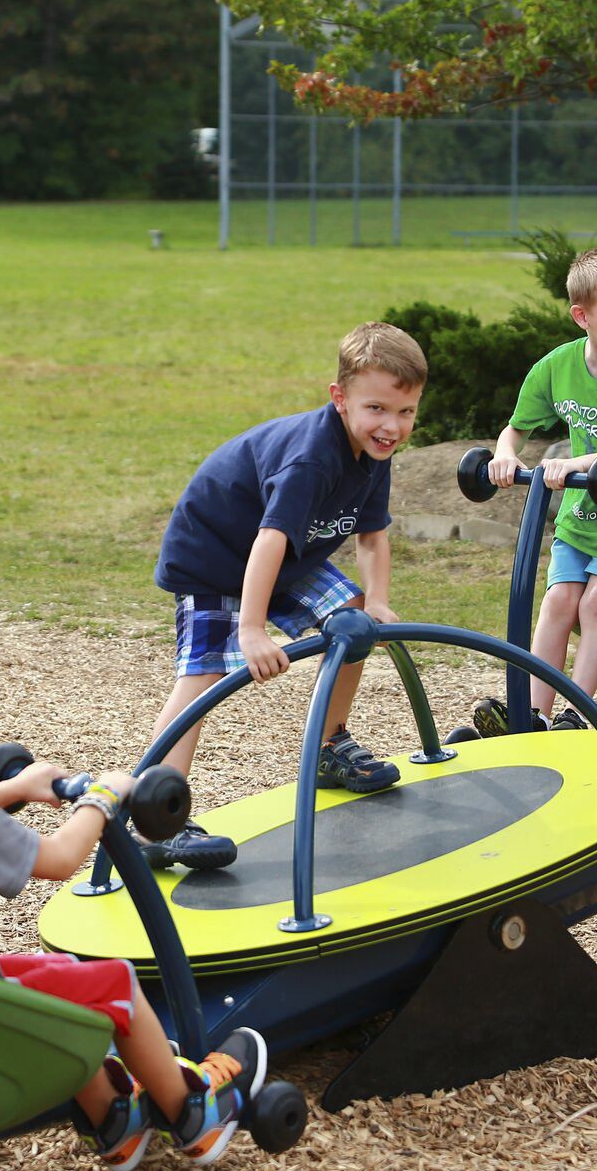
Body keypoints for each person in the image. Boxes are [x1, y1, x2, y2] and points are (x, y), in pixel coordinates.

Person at [0, 637, 268, 1169]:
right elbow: (61, 857)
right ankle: (193, 1111)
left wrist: (12, 790)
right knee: (117, 985)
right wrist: (101, 800)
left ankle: (115, 1118)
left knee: (59, 974)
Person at [147, 322, 427, 871]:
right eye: (377, 409)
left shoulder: (376, 452)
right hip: (215, 558)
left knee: (353, 621)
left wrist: (377, 599)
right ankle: (158, 816)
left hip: (285, 559)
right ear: (339, 398)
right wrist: (252, 629)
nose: (392, 427)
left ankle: (330, 746)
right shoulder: (311, 459)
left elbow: (371, 535)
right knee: (203, 675)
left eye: (407, 412)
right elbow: (269, 537)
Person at [477, 248, 597, 735]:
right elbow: (516, 429)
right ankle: (533, 713)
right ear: (582, 317)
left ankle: (577, 712)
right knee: (559, 600)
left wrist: (578, 463)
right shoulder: (556, 367)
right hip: (579, 520)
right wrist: (505, 455)